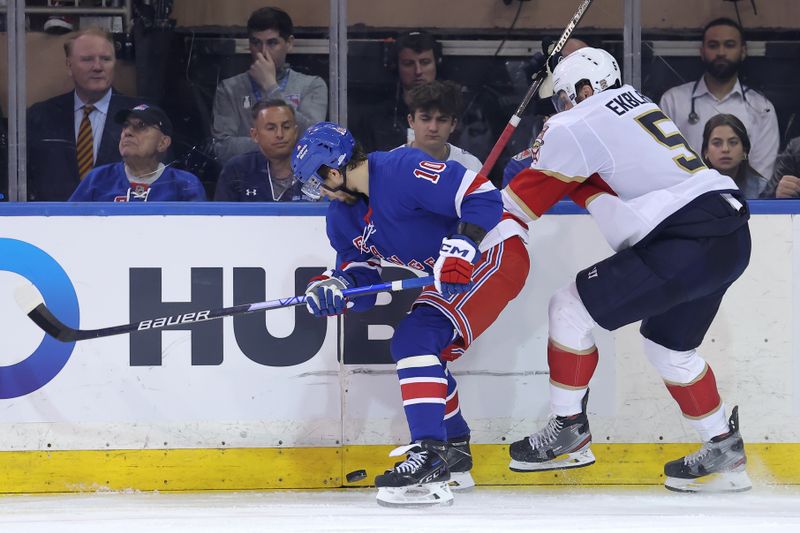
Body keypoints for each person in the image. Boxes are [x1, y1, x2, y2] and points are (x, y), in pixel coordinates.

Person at [503, 48, 752, 493]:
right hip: (728, 236)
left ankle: (568, 429)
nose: (560, 109)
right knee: (668, 348)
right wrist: (561, 61)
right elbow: (596, 178)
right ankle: (723, 448)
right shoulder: (635, 102)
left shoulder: (574, 123)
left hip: (686, 240)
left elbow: (519, 205)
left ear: (584, 90)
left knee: (568, 308)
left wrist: (469, 223)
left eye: (563, 97)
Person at [291, 122, 529, 506]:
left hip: (494, 249)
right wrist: (336, 290)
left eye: (318, 182)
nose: (319, 192)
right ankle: (453, 451)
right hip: (454, 269)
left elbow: (482, 195)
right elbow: (361, 283)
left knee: (414, 339)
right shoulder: (342, 217)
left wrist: (464, 243)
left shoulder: (402, 170)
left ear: (333, 170)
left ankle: (431, 454)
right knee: (422, 350)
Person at [27, 27, 144, 201]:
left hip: (121, 224)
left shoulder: (143, 117)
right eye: (87, 59)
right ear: (69, 65)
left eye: (105, 59)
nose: (97, 67)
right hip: (53, 222)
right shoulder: (39, 117)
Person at [660, 17, 779, 179]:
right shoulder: (673, 101)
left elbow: (761, 175)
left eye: (729, 45)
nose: (721, 52)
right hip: (689, 199)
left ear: (743, 51)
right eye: (713, 45)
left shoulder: (762, 107)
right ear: (702, 52)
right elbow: (664, 161)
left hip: (745, 200)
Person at [211, 6, 327, 164]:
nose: (263, 52)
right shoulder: (229, 88)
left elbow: (311, 139)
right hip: (247, 178)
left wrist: (271, 87)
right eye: (256, 43)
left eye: (272, 43)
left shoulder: (312, 85)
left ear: (289, 43)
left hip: (295, 178)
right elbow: (222, 148)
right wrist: (276, 143)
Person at [69, 104, 206, 202]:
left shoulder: (185, 185)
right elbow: (66, 226)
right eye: (126, 126)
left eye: (141, 126)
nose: (127, 132)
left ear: (163, 143)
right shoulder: (97, 179)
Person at [350, 30, 441, 152]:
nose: (418, 71)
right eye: (408, 64)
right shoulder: (376, 119)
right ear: (396, 66)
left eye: (425, 62)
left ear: (437, 64)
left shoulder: (452, 113)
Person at [214, 99, 304, 201]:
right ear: (255, 135)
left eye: (286, 127)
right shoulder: (237, 170)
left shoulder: (316, 169)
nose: (280, 134)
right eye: (271, 128)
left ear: (296, 132)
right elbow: (221, 215)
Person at [397, 80, 482, 172]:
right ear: (411, 121)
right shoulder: (391, 164)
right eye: (425, 119)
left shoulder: (471, 166)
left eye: (442, 120)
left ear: (453, 124)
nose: (433, 128)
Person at [701, 114, 767, 199]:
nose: (725, 149)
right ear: (706, 151)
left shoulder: (762, 189)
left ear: (744, 151)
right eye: (717, 143)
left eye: (733, 142)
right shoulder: (691, 188)